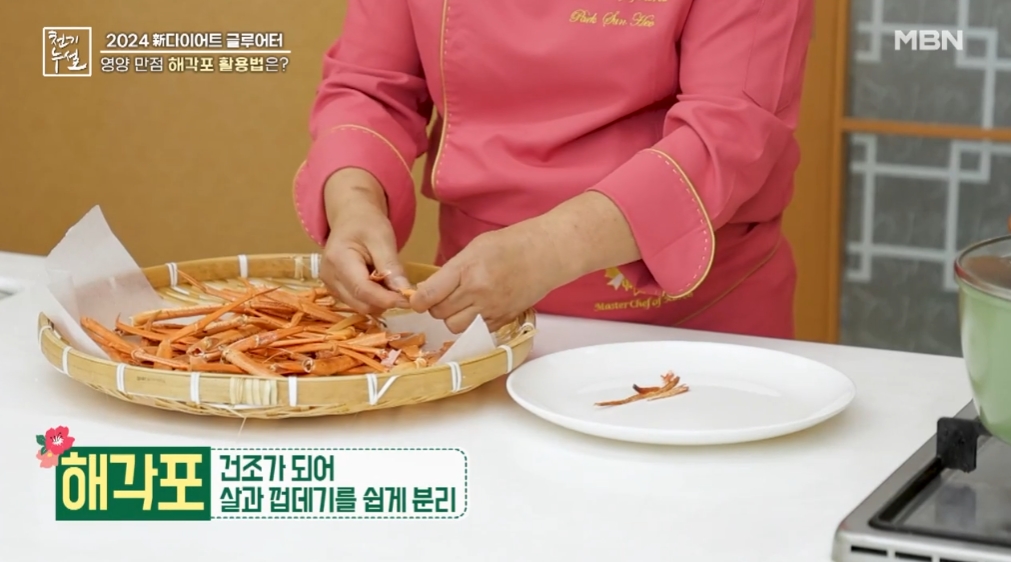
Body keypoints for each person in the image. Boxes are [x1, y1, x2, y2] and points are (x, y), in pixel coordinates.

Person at [293, 0, 814, 338]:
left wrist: (550, 248)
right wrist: (354, 205)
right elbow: (370, 88)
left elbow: (728, 131)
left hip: (687, 322)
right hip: (471, 315)